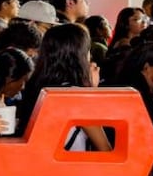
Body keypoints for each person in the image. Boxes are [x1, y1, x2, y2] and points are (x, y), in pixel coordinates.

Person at [17, 23, 111, 151]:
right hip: (73, 168)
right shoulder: (76, 97)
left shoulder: (36, 87)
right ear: (79, 56)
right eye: (88, 51)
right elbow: (105, 149)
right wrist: (90, 91)